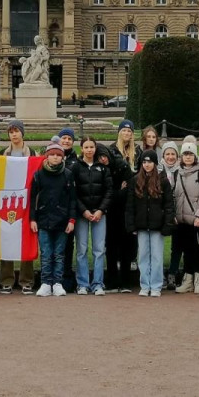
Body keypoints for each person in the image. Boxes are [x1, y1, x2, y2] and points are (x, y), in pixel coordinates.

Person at [125, 149, 174, 297]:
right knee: (143, 256)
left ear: (155, 163)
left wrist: (167, 224)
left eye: (150, 162)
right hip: (141, 225)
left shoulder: (163, 181)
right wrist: (131, 225)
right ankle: (145, 285)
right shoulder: (135, 181)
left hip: (157, 226)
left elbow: (169, 205)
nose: (147, 165)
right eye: (144, 162)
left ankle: (156, 285)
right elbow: (130, 205)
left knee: (157, 257)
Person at [30, 140, 76, 296]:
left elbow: (72, 200)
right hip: (43, 220)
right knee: (46, 253)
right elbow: (33, 198)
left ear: (62, 157)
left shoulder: (68, 175)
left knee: (59, 254)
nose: (55, 158)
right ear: (46, 157)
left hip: (62, 221)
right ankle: (45, 282)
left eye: (58, 155)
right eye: (52, 155)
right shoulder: (38, 175)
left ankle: (57, 282)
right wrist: (33, 219)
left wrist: (71, 220)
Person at [0, 120, 38, 293]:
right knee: (6, 238)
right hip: (8, 200)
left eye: (16, 131)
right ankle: (6, 279)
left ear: (22, 133)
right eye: (11, 131)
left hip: (26, 200)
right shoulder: (2, 153)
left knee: (26, 240)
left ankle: (26, 280)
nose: (14, 134)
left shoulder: (32, 153)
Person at [170, 141, 199, 294]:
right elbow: (173, 196)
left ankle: (198, 280)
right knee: (186, 251)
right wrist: (173, 215)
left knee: (197, 250)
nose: (187, 157)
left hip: (197, 219)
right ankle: (188, 281)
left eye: (190, 154)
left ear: (195, 156)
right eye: (185, 154)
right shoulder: (176, 173)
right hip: (181, 220)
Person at [72, 135, 112, 295]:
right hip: (83, 213)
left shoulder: (103, 168)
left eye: (92, 147)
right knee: (81, 249)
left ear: (95, 148)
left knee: (98, 249)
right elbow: (73, 192)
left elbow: (108, 191)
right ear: (81, 149)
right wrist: (84, 211)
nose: (89, 150)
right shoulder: (75, 167)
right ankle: (82, 283)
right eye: (86, 147)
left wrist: (101, 210)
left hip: (99, 213)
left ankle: (98, 283)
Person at [106, 120, 138, 293]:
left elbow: (138, 175)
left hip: (130, 202)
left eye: (129, 130)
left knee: (127, 242)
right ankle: (112, 280)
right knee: (111, 243)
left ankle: (125, 281)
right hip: (114, 202)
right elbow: (108, 174)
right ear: (119, 132)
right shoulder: (111, 150)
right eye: (124, 130)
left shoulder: (137, 152)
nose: (127, 133)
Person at [56, 128, 80, 290]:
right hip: (53, 209)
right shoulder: (51, 156)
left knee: (68, 245)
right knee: (52, 245)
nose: (66, 141)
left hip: (70, 208)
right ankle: (52, 277)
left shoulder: (76, 161)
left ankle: (66, 276)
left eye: (69, 139)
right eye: (63, 138)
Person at [159, 140, 183, 289]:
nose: (170, 157)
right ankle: (159, 274)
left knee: (177, 245)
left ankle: (172, 273)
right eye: (167, 154)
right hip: (161, 211)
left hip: (179, 211)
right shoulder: (157, 170)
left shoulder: (182, 170)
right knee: (157, 245)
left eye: (173, 154)